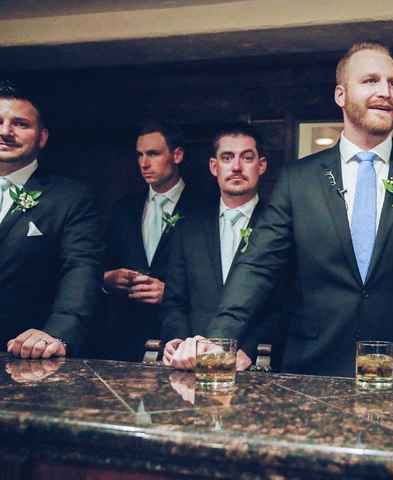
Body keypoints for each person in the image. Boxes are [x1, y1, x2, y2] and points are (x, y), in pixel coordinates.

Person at [195, 42, 393, 381]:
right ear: (340, 95)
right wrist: (220, 337)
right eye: (371, 80)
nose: (385, 92)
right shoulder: (297, 180)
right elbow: (258, 264)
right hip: (314, 368)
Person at [162, 125, 280, 370]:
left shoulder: (280, 225)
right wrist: (179, 343)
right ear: (214, 167)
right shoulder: (188, 225)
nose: (236, 167)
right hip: (191, 363)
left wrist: (249, 349)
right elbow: (175, 300)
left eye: (247, 157)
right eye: (227, 158)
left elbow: (289, 300)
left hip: (255, 365)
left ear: (262, 165)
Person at [1, 80, 103, 358]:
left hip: (25, 354)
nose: (5, 132)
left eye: (20, 124)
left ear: (42, 137)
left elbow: (81, 268)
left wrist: (59, 332)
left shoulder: (71, 197)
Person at [102, 121, 194, 361]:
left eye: (153, 154)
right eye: (140, 155)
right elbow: (100, 262)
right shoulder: (123, 208)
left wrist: (170, 293)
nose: (144, 163)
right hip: (123, 338)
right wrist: (108, 279)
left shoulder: (203, 206)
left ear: (177, 155)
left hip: (180, 340)